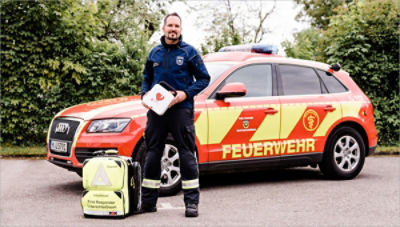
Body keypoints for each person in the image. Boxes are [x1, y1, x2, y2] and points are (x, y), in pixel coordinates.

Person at [140, 12, 210, 217]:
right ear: (163, 28)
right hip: (157, 112)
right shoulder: (154, 53)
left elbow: (204, 79)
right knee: (153, 154)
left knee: (187, 155)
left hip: (181, 110)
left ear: (181, 29)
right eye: (170, 25)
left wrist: (185, 94)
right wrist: (144, 95)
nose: (173, 29)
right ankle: (148, 203)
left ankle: (191, 203)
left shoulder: (190, 53)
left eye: (176, 26)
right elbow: (147, 78)